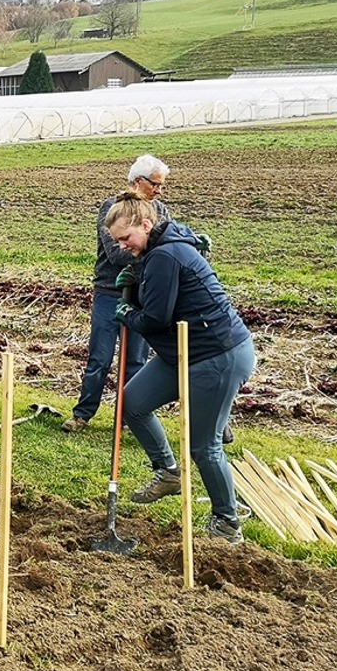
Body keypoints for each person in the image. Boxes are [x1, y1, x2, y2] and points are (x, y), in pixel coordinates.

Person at [104, 192, 256, 545]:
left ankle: (226, 523)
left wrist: (129, 312)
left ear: (146, 224)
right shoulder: (156, 251)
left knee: (204, 445)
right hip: (182, 352)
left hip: (217, 355)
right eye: (117, 241)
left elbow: (156, 318)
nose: (123, 246)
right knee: (133, 403)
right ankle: (168, 472)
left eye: (127, 238)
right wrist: (135, 283)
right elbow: (161, 301)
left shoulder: (167, 255)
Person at [61, 154, 169, 433]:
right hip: (110, 293)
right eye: (155, 184)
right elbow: (115, 254)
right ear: (138, 181)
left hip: (142, 296)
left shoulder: (162, 211)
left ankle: (127, 419)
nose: (159, 191)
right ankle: (83, 414)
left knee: (135, 361)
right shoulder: (112, 209)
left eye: (161, 186)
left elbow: (167, 250)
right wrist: (151, 254)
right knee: (100, 358)